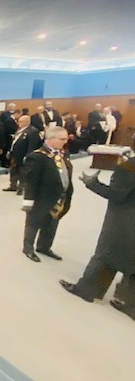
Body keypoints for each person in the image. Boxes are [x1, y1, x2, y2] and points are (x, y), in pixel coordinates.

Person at [59, 133, 135, 320]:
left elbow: (116, 195)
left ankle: (87, 290)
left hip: (124, 221)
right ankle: (131, 305)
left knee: (106, 254)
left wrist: (92, 183)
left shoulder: (129, 166)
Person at [21, 127, 73, 262]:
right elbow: (31, 181)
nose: (65, 142)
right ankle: (28, 248)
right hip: (41, 198)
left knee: (52, 223)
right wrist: (28, 200)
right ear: (50, 139)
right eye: (62, 139)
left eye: (66, 139)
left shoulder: (62, 153)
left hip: (59, 197)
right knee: (34, 223)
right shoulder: (37, 156)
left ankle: (44, 247)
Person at [3, 115, 41, 194]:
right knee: (13, 170)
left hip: (23, 154)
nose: (18, 123)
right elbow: (15, 141)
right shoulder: (19, 130)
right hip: (15, 154)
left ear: (26, 122)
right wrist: (10, 151)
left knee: (22, 172)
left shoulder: (33, 131)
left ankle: (21, 188)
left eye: (20, 121)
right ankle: (13, 186)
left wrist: (28, 155)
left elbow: (32, 145)